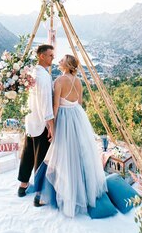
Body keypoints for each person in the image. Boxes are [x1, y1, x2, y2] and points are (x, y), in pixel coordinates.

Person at [33, 54, 107, 217]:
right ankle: (83, 191)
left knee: (63, 156)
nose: (59, 61)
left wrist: (53, 126)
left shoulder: (59, 81)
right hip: (77, 116)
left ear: (67, 64)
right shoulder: (79, 81)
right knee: (80, 155)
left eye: (62, 59)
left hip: (65, 118)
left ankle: (66, 193)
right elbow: (79, 103)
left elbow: (56, 105)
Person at [17, 44, 55, 198]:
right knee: (41, 156)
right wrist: (51, 125)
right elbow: (46, 103)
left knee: (27, 153)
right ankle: (40, 191)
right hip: (40, 121)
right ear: (42, 56)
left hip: (30, 119)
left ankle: (23, 185)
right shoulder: (44, 77)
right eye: (50, 55)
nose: (53, 58)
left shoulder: (31, 73)